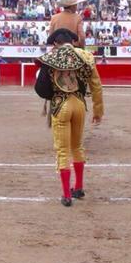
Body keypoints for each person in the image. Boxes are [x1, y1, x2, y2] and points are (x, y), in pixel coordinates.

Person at [38, 29, 104, 207]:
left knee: (62, 150)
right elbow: (96, 86)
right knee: (77, 146)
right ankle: (79, 187)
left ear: (55, 44)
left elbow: (41, 88)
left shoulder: (51, 57)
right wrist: (98, 110)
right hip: (79, 105)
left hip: (61, 105)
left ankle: (67, 195)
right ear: (73, 42)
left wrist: (53, 94)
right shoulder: (86, 56)